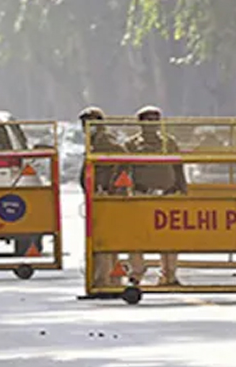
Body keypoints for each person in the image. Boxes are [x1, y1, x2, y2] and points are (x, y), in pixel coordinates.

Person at [125, 106, 187, 286]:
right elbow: (124, 169)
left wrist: (182, 187)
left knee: (169, 237)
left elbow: (178, 167)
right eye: (148, 119)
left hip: (166, 195)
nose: (152, 123)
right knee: (136, 236)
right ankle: (136, 273)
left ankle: (169, 274)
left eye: (155, 119)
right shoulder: (132, 145)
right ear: (140, 123)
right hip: (141, 195)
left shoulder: (169, 142)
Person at [78, 107, 126, 290]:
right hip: (96, 198)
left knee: (103, 240)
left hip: (105, 198)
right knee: (102, 239)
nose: (87, 126)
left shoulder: (104, 141)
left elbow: (120, 156)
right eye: (85, 123)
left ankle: (104, 281)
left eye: (91, 122)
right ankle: (109, 280)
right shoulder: (93, 141)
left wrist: (111, 186)